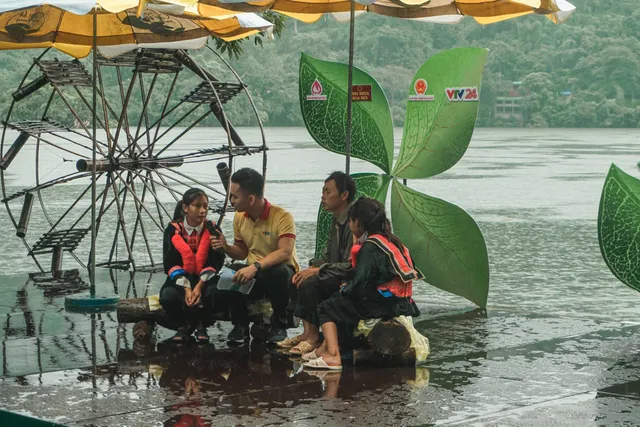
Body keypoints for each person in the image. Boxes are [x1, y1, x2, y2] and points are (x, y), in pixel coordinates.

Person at [302, 197, 422, 370]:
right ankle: (325, 349)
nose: (350, 225)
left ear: (357, 222)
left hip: (384, 304)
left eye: (351, 221)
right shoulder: (392, 240)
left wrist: (345, 291)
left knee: (327, 307)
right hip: (400, 301)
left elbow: (360, 281)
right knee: (341, 299)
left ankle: (333, 356)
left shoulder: (370, 246)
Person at [211, 168, 300, 344]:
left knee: (277, 272)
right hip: (255, 272)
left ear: (250, 199)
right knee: (232, 273)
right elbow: (242, 251)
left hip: (281, 274)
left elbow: (285, 252)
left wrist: (255, 267)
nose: (231, 201)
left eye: (234, 197)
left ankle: (279, 323)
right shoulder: (239, 217)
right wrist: (226, 246)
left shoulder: (282, 216)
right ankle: (240, 325)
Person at [278, 171, 356, 355]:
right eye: (323, 191)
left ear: (344, 195)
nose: (323, 196)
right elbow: (328, 257)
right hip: (336, 270)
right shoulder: (335, 220)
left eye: (328, 192)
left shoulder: (354, 221)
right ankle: (306, 333)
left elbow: (350, 264)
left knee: (311, 282)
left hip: (349, 277)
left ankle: (313, 337)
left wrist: (317, 271)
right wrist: (312, 267)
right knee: (297, 276)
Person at [159, 188, 225, 344]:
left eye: (206, 206)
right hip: (182, 276)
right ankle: (185, 325)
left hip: (205, 276)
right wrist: (188, 287)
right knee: (168, 296)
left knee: (214, 293)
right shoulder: (172, 230)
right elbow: (169, 262)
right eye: (197, 206)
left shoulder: (213, 229)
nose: (203, 211)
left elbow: (217, 261)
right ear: (185, 207)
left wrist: (199, 286)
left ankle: (201, 325)